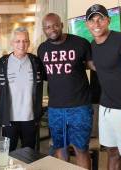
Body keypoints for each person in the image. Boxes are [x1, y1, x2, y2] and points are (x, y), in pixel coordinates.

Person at [85, 4, 121, 170]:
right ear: (87, 24)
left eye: (100, 19)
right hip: (106, 109)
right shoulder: (93, 45)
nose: (96, 24)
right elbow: (100, 66)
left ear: (108, 20)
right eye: (92, 20)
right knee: (112, 152)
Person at [37, 13, 94, 169]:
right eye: (48, 27)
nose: (52, 30)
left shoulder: (81, 43)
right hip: (55, 108)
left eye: (55, 25)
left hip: (80, 106)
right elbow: (48, 76)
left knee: (81, 149)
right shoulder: (42, 49)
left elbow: (94, 66)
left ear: (61, 25)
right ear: (44, 30)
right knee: (60, 148)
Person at [0, 27, 45, 152]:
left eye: (25, 41)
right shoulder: (2, 63)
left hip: (30, 118)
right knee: (9, 153)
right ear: (12, 43)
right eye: (18, 41)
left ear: (29, 43)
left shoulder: (36, 62)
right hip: (10, 118)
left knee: (29, 153)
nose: (21, 44)